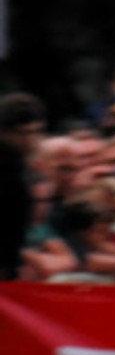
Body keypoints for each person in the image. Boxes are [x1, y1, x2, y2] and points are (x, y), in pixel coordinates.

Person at [1, 92, 48, 280]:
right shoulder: (8, 171)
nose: (32, 139)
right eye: (24, 133)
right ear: (5, 133)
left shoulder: (19, 168)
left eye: (37, 131)